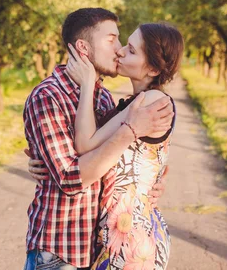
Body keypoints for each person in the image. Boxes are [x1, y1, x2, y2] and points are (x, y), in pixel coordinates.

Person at [23, 8, 175, 270]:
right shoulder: (47, 97)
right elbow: (71, 179)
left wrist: (148, 182)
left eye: (126, 45)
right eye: (112, 39)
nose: (118, 50)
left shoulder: (105, 99)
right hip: (61, 249)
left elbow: (116, 157)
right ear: (83, 47)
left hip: (105, 245)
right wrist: (131, 130)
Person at [66, 23, 183, 270]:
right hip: (124, 231)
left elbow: (85, 144)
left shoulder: (151, 100)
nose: (119, 52)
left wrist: (87, 84)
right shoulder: (135, 101)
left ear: (152, 67)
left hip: (130, 239)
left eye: (130, 50)